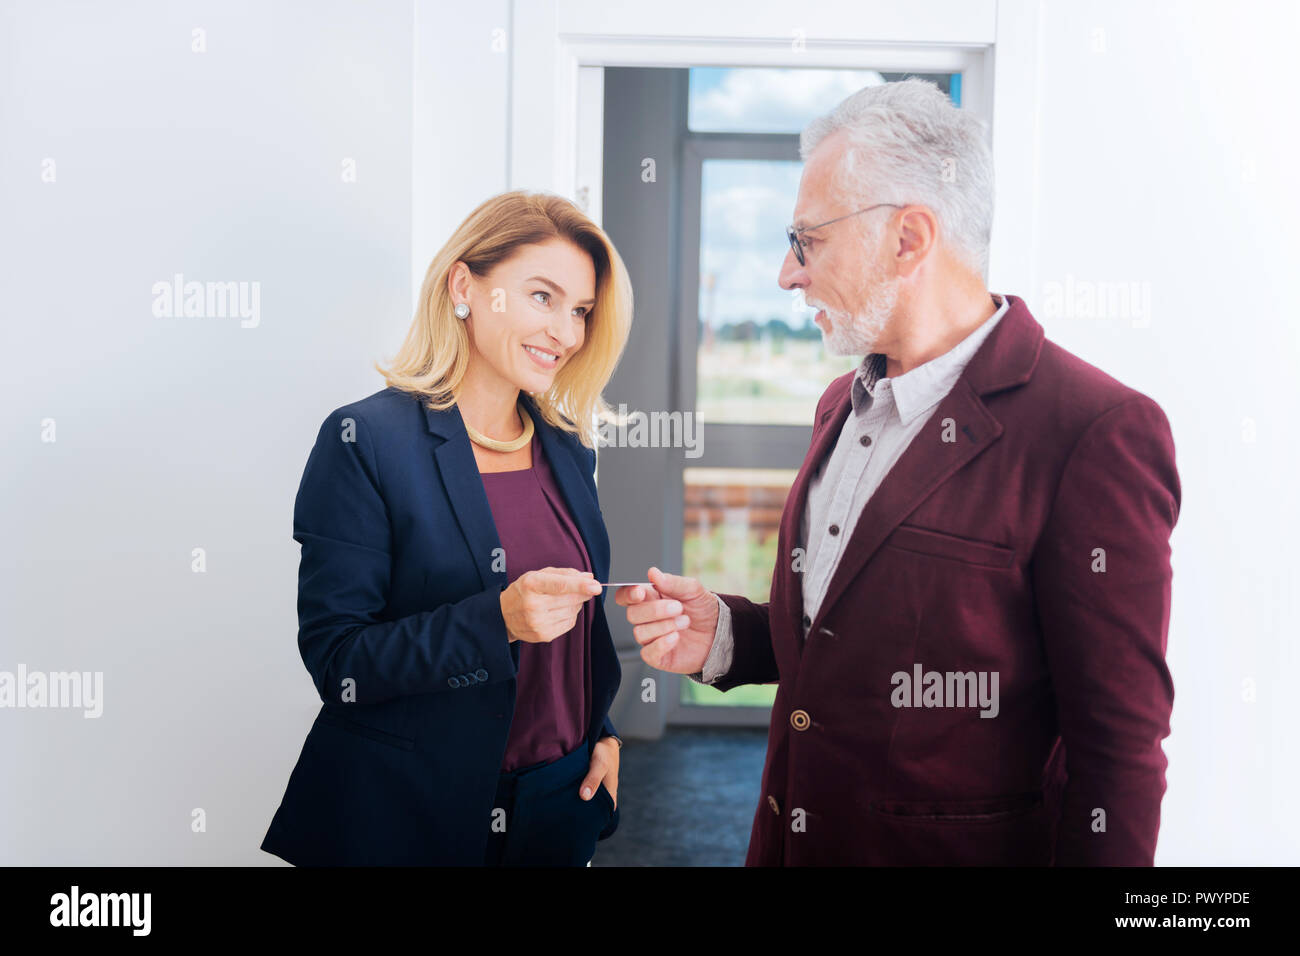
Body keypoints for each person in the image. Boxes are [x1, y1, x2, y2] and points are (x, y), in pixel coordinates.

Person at [616, 79, 1181, 866]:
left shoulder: (1093, 431)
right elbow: (849, 644)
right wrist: (729, 636)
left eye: (806, 240)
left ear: (909, 238)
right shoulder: (837, 408)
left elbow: (1117, 750)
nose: (787, 273)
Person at [261, 190, 633, 866]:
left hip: (556, 807)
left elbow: (570, 632)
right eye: (542, 298)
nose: (566, 332)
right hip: (410, 818)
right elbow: (337, 660)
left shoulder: (568, 446)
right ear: (465, 286)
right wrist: (498, 621)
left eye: (579, 311)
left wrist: (599, 735)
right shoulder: (366, 441)